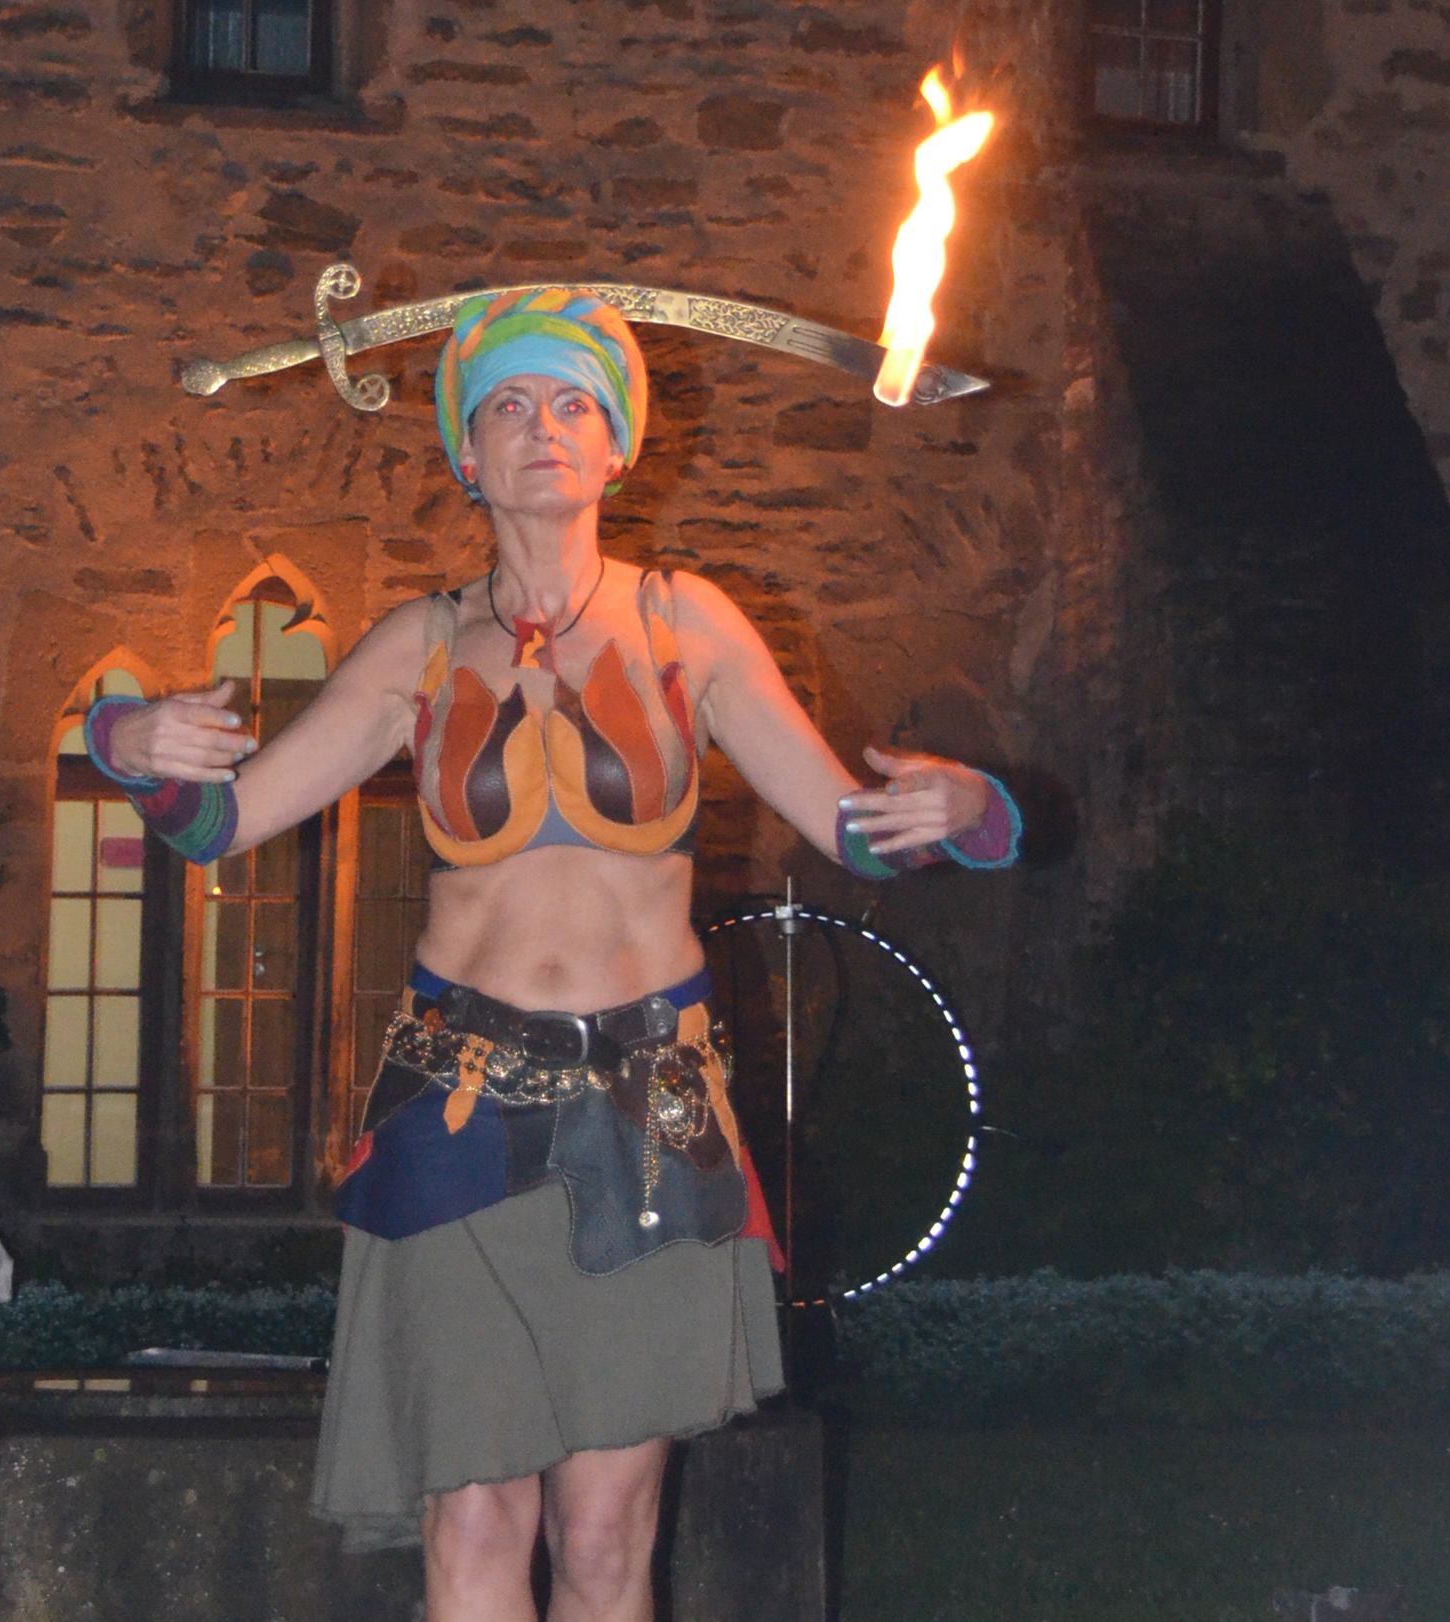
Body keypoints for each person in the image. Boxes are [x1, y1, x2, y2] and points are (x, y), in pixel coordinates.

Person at [85, 288, 1020, 1622]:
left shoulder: (688, 622)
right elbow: (222, 821)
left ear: (619, 445)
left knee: (604, 1539)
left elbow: (856, 833)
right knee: (472, 1521)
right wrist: (127, 746)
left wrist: (968, 809)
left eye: (574, 402)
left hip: (650, 1111)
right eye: (510, 405)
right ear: (467, 451)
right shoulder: (418, 645)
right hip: (455, 1108)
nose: (544, 427)